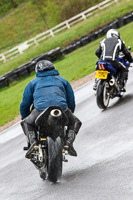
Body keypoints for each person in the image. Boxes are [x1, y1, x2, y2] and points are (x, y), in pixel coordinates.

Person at [20, 60, 82, 158]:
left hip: (40, 110)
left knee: (26, 122)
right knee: (75, 122)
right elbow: (71, 100)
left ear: (37, 71)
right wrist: (69, 114)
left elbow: (24, 104)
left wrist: (25, 117)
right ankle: (68, 142)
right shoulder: (62, 80)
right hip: (61, 109)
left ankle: (33, 143)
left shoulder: (32, 83)